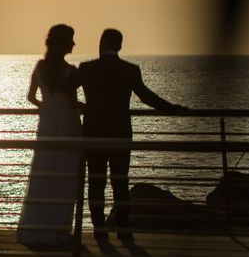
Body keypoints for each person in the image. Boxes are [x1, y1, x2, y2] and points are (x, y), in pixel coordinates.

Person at [66, 28, 188, 241]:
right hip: (120, 133)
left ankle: (99, 229)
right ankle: (123, 228)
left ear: (101, 44)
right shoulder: (130, 70)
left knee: (96, 182)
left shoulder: (87, 68)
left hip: (93, 133)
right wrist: (174, 108)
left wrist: (79, 105)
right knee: (120, 181)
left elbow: (65, 89)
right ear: (120, 46)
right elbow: (147, 97)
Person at [17, 24, 83, 245]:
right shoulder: (71, 72)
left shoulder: (40, 68)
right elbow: (73, 103)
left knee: (44, 172)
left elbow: (30, 97)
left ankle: (39, 224)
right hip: (67, 125)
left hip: (47, 125)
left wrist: (46, 107)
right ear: (63, 43)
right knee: (65, 173)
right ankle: (60, 226)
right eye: (71, 39)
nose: (74, 43)